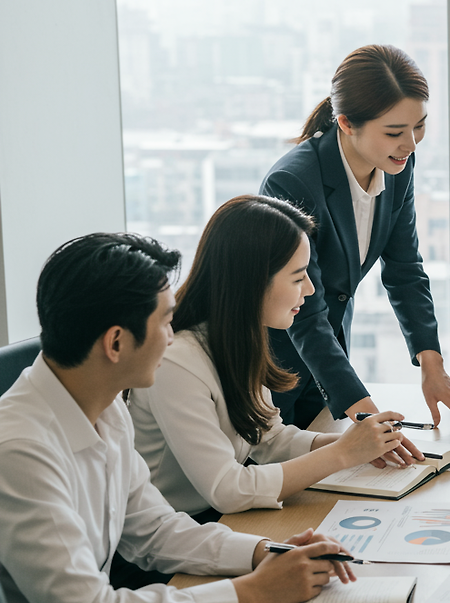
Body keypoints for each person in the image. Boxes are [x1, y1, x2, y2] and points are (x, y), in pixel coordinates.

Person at [0, 234, 358, 603]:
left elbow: (155, 531)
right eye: (166, 322)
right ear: (116, 343)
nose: (173, 337)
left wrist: (265, 552)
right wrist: (252, 592)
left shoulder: (103, 406)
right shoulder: (20, 450)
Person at [130, 195, 418, 521]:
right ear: (252, 282)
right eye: (298, 277)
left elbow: (270, 439)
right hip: (173, 529)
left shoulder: (239, 338)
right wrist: (342, 453)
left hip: (211, 521)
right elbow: (227, 489)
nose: (310, 290)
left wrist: (359, 444)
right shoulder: (176, 362)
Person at [261, 44, 450, 431]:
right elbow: (305, 310)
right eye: (395, 132)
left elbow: (405, 268)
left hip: (329, 356)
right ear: (347, 123)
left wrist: (432, 365)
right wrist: (365, 413)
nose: (411, 144)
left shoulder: (397, 165)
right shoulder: (292, 182)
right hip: (273, 363)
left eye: (419, 126)